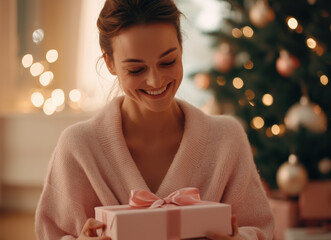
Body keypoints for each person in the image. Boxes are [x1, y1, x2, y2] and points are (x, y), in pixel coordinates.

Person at [35, 0, 274, 239]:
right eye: (136, 69)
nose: (156, 81)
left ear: (181, 47)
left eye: (168, 61)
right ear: (109, 62)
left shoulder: (227, 139)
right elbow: (52, 234)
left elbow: (261, 229)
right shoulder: (78, 146)